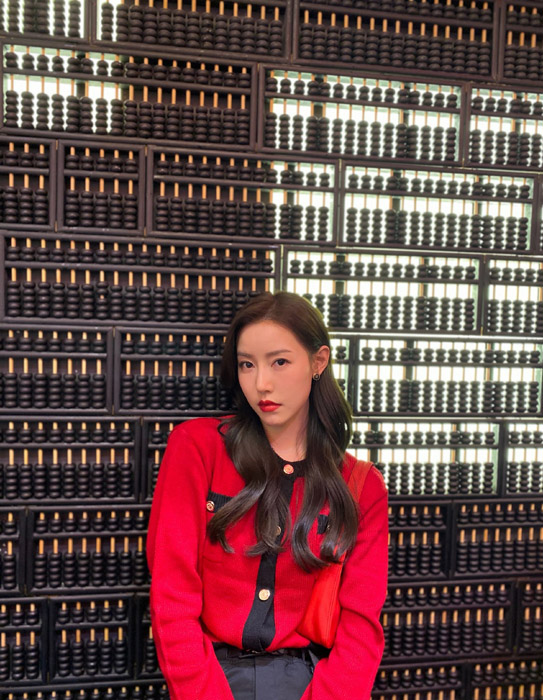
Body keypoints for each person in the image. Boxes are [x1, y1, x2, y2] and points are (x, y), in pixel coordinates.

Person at [146, 290, 388, 700]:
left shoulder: (360, 485)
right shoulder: (197, 448)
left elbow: (361, 625)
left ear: (318, 361)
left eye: (279, 362)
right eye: (247, 364)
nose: (261, 383)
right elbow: (172, 598)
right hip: (209, 679)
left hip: (311, 683)